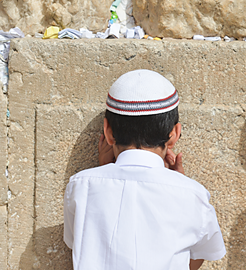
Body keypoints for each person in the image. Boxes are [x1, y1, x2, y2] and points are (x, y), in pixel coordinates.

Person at [64, 69, 226, 270]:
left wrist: (103, 171)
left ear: (107, 132)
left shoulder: (80, 186)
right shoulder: (193, 194)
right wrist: (181, 186)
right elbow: (200, 254)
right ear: (174, 134)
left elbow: (82, 244)